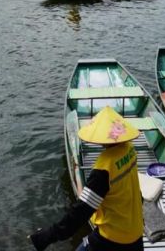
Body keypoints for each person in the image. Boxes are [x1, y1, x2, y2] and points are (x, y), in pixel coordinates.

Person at [30, 106, 143, 251]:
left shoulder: (104, 168)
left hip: (113, 238)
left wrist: (47, 236)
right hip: (136, 232)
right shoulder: (130, 149)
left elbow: (81, 212)